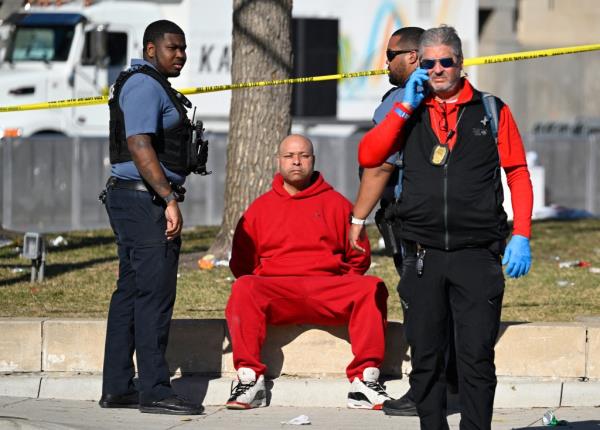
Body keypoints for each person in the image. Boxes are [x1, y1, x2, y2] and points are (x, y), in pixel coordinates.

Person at [355, 26, 533, 430]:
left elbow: (518, 173)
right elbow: (370, 155)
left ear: (460, 62)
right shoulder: (408, 109)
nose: (437, 70)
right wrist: (403, 106)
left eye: (445, 62)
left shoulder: (491, 110)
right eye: (429, 62)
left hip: (477, 253)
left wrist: (521, 233)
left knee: (475, 357)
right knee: (427, 358)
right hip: (421, 254)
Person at [225, 134, 391, 410]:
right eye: (289, 156)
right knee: (244, 287)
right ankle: (250, 379)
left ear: (313, 160)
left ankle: (364, 381)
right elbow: (242, 264)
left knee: (370, 287)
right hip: (278, 292)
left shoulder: (338, 204)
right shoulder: (259, 209)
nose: (297, 161)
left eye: (303, 155)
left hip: (327, 290)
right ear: (278, 161)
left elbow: (358, 257)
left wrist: (337, 282)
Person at [98, 20, 203, 415]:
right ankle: (156, 390)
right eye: (173, 48)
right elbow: (139, 144)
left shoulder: (150, 82)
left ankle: (119, 387)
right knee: (154, 296)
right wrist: (168, 198)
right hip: (144, 203)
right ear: (150, 49)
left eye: (184, 48)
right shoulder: (144, 84)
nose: (181, 55)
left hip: (135, 200)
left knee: (130, 293)